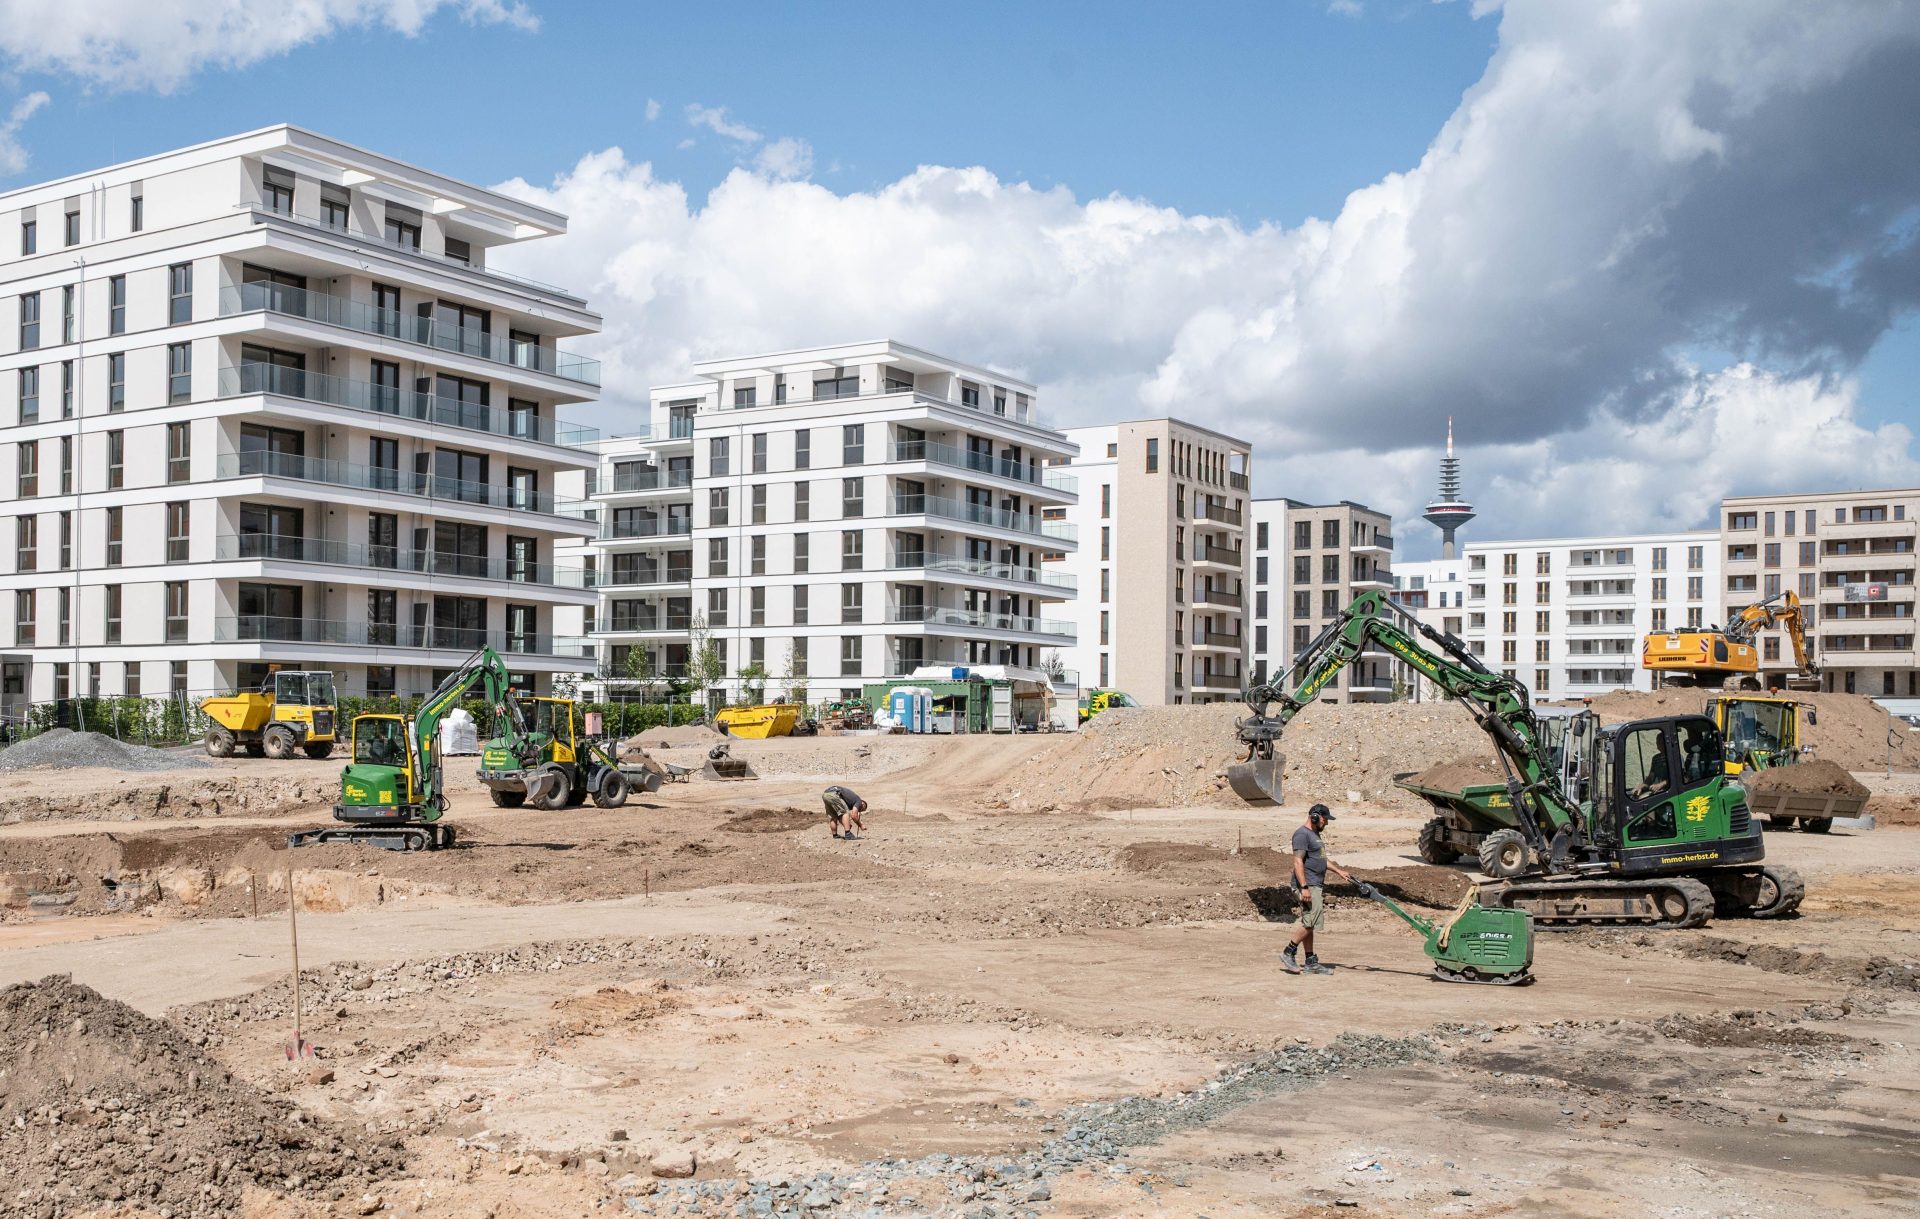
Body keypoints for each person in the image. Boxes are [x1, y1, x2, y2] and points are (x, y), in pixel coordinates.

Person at [1283, 802, 1353, 976]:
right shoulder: (1302, 834)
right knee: (1311, 921)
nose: (1326, 823)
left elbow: (1321, 859)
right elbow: (1298, 861)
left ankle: (1310, 961)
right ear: (1315, 816)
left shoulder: (1314, 835)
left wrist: (1339, 871)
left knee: (1310, 922)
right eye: (1325, 819)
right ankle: (1288, 952)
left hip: (1315, 883)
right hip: (1308, 884)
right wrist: (1304, 887)